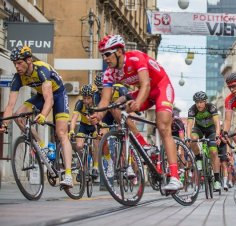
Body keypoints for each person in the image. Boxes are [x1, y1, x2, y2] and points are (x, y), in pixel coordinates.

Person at [89, 35, 182, 191]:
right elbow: (105, 101)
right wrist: (97, 116)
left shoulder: (136, 58)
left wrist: (138, 103)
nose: (105, 59)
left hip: (160, 87)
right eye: (102, 55)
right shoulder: (109, 73)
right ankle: (144, 145)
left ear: (119, 51)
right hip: (143, 92)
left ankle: (175, 177)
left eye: (107, 54)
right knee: (114, 106)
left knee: (163, 126)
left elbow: (146, 84)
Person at [0, 46, 73, 187]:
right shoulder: (18, 77)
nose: (17, 66)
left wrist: (43, 115)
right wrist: (4, 125)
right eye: (14, 63)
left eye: (20, 62)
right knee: (17, 116)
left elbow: (49, 99)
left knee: (61, 132)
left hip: (57, 94)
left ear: (29, 60)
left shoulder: (42, 70)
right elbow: (10, 105)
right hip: (40, 96)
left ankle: (68, 174)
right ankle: (41, 146)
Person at [186, 91, 222, 190]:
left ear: (205, 102)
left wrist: (218, 136)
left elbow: (216, 122)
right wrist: (188, 137)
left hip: (211, 130)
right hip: (199, 129)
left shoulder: (211, 107)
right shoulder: (192, 109)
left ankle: (217, 180)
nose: (199, 104)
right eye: (197, 102)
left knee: (214, 152)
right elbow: (189, 125)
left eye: (201, 102)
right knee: (193, 139)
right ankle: (198, 158)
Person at [69, 84, 100, 179]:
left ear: (93, 97)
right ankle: (82, 167)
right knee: (79, 146)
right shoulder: (80, 103)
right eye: (84, 98)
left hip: (95, 126)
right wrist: (71, 130)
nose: (86, 101)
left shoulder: (97, 102)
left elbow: (100, 119)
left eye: (88, 98)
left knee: (96, 142)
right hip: (84, 126)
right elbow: (74, 118)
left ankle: (95, 166)